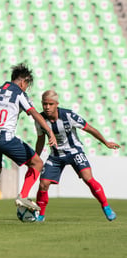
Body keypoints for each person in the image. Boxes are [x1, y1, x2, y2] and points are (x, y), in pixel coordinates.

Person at [0, 63, 57, 222]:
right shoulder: (19, 94)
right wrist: (49, 132)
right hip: (5, 137)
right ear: (23, 82)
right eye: (27, 85)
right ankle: (23, 195)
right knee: (37, 164)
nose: (26, 88)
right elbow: (34, 113)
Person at [34, 90, 119, 222]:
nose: (47, 107)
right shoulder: (40, 120)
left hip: (75, 152)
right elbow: (40, 140)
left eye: (50, 104)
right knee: (43, 184)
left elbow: (90, 129)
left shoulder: (68, 115)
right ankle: (40, 216)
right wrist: (36, 158)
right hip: (56, 155)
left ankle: (106, 206)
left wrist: (106, 142)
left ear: (57, 104)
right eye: (45, 104)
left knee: (88, 178)